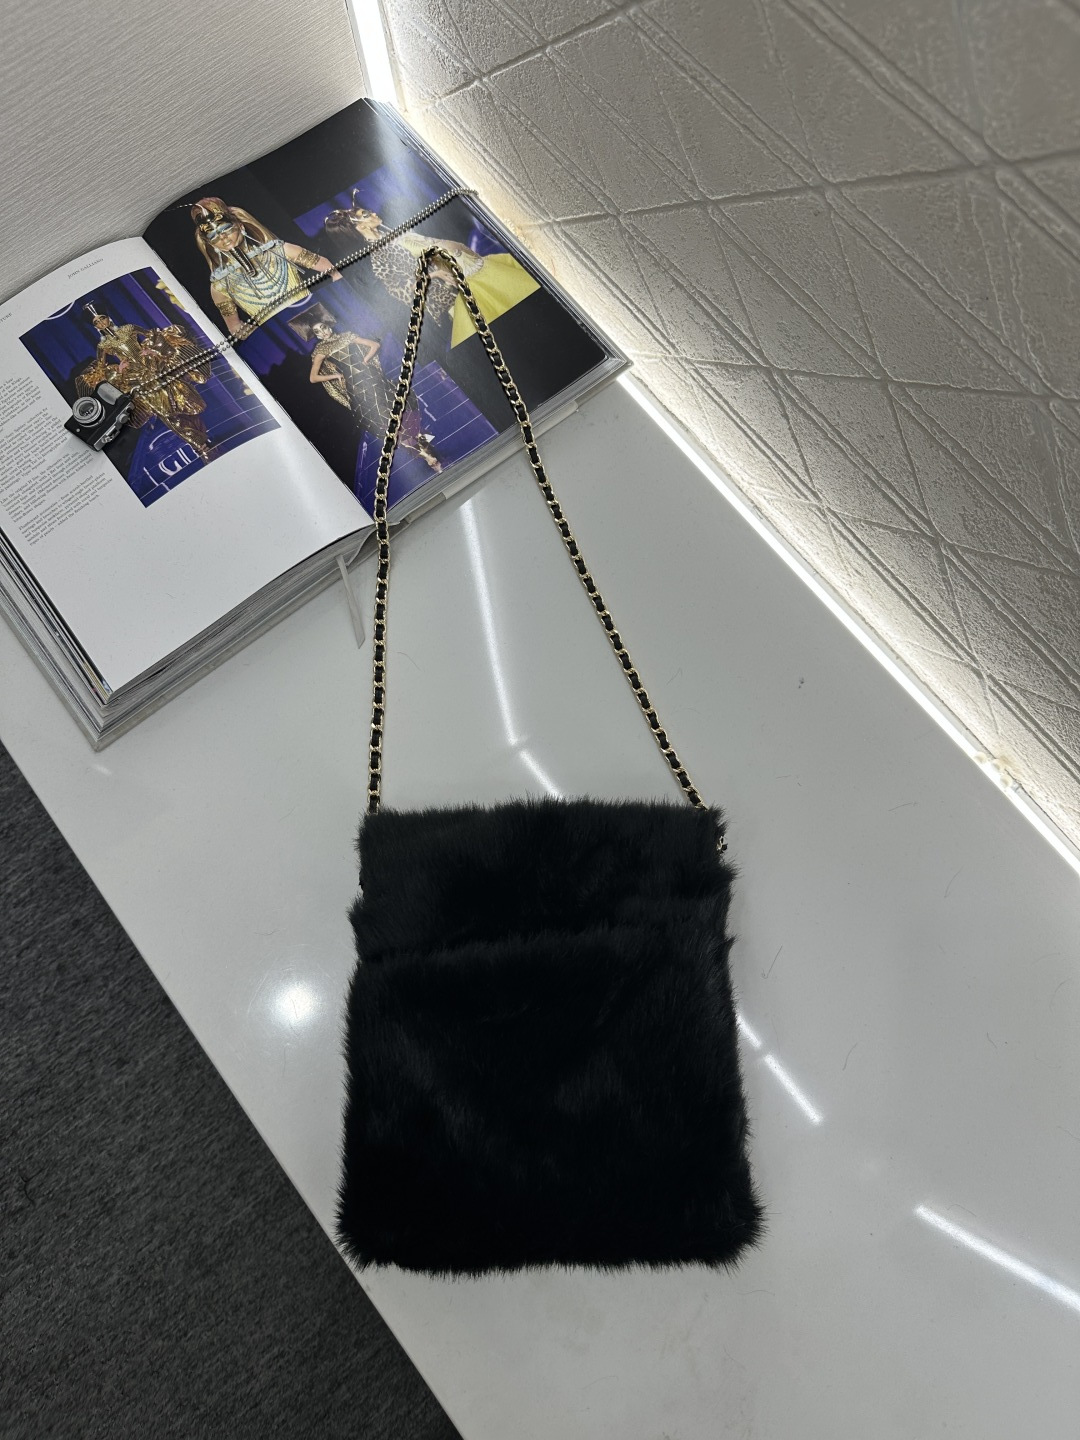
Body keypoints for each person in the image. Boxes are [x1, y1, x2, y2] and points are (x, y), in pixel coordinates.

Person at [323, 194, 538, 346]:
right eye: (366, 214)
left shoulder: (391, 233)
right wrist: (434, 274)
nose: (373, 213)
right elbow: (399, 289)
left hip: (473, 268)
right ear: (360, 226)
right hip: (458, 288)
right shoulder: (378, 254)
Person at [307, 317, 440, 473]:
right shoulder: (321, 351)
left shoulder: (347, 336)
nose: (322, 332)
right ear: (316, 336)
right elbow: (313, 377)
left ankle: (426, 449)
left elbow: (375, 345)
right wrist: (335, 376)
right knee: (385, 422)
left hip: (372, 379)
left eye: (323, 327)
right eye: (317, 331)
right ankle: (427, 455)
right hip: (356, 389)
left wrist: (365, 360)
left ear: (328, 326)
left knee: (398, 413)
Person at [190, 197, 340, 334]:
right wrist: (268, 332)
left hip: (324, 318)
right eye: (213, 236)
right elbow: (235, 329)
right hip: (284, 337)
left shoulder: (281, 250)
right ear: (210, 244)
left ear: (240, 226)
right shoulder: (219, 286)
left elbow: (332, 270)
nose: (223, 237)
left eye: (225, 229)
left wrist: (333, 300)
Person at [79, 309, 212, 460]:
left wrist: (152, 351)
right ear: (95, 327)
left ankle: (203, 437)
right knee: (165, 413)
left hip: (154, 367)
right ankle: (197, 445)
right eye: (97, 322)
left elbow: (151, 334)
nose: (101, 323)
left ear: (108, 317)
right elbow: (101, 368)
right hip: (137, 378)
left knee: (183, 401)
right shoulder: (103, 345)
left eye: (102, 318)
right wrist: (120, 370)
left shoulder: (128, 328)